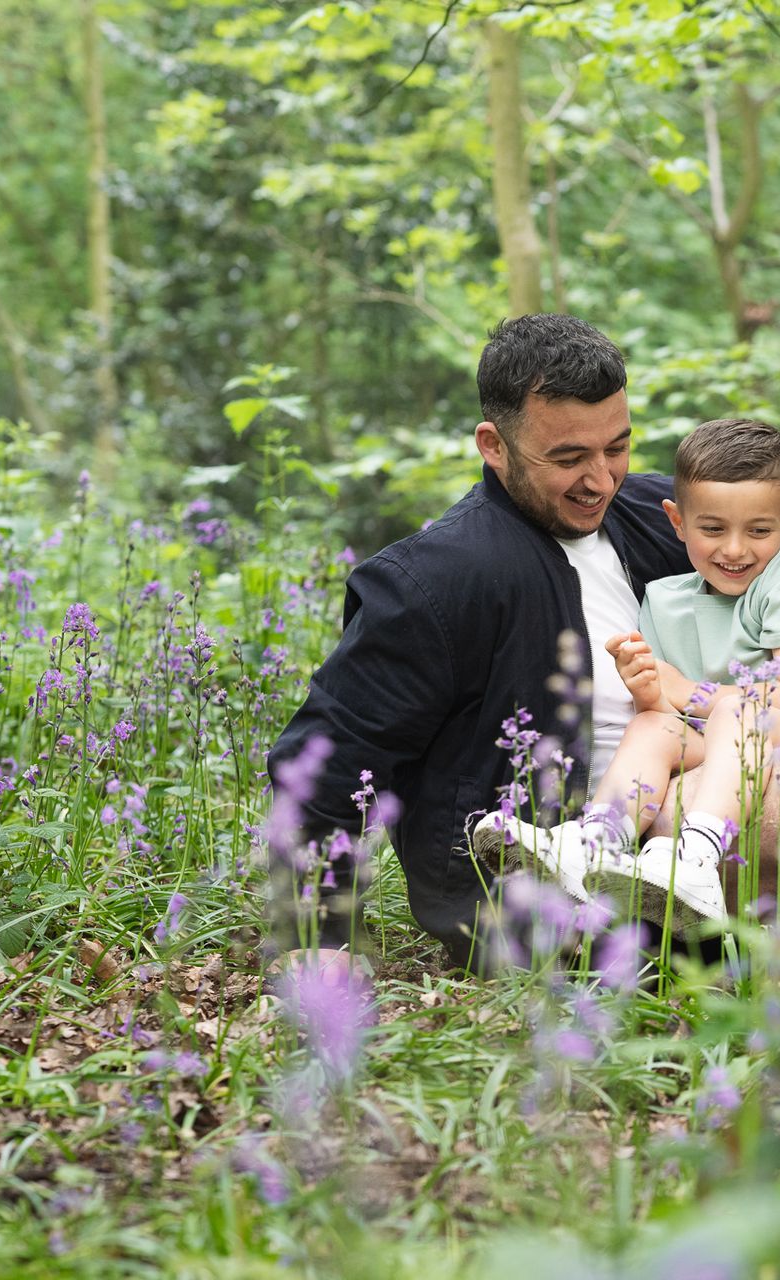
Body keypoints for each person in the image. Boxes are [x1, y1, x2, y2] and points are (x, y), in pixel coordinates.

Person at [266, 314, 690, 974]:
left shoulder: (674, 521)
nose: (601, 479)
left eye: (617, 448)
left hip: (698, 847)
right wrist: (319, 938)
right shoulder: (436, 580)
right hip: (535, 902)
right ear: (494, 445)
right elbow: (331, 760)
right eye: (568, 459)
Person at [473, 418, 780, 937]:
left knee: (737, 712)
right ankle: (594, 845)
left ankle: (696, 862)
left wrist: (687, 690)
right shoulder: (664, 599)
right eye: (713, 529)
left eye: (759, 531)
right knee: (649, 728)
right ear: (677, 521)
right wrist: (649, 692)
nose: (735, 549)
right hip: (714, 748)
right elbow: (669, 723)